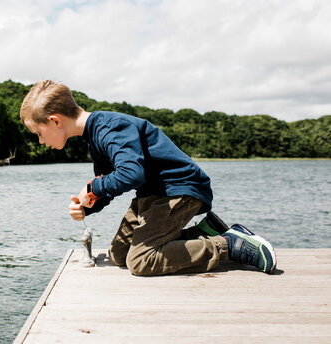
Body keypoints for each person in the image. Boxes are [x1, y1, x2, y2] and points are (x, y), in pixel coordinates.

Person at [20, 80, 277, 275]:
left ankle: (229, 245)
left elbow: (132, 173)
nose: (41, 141)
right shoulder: (95, 137)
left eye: (38, 133)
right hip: (154, 195)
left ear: (55, 121)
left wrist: (93, 187)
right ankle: (206, 231)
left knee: (141, 261)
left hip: (179, 189)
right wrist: (88, 205)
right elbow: (110, 183)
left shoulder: (110, 127)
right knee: (119, 255)